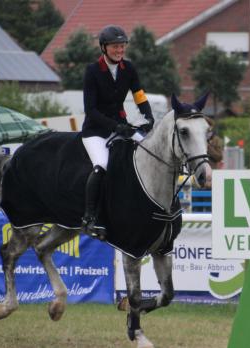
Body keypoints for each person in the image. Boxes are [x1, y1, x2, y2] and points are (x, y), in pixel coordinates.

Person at [81, 24, 154, 241]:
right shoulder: (92, 71)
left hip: (121, 126)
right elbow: (90, 110)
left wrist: (148, 116)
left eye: (122, 46)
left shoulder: (128, 68)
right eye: (115, 47)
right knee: (102, 165)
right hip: (96, 131)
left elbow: (139, 94)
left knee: (148, 152)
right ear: (104, 48)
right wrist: (115, 127)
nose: (119, 51)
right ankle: (90, 218)